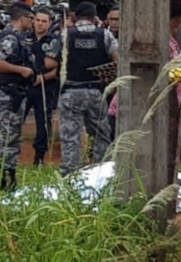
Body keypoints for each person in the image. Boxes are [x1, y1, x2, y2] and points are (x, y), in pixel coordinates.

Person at [107, 0, 181, 143]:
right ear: (178, 20)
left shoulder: (169, 43)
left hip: (150, 114)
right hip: (138, 114)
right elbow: (158, 80)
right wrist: (178, 99)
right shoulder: (162, 45)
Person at [59, 2, 118, 177]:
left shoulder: (66, 35)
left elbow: (53, 62)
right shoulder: (105, 35)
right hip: (95, 92)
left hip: (70, 92)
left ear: (76, 17)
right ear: (94, 17)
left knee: (71, 137)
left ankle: (71, 176)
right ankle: (102, 172)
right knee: (102, 134)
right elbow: (117, 61)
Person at [0, 2, 35, 191]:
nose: (32, 22)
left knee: (4, 137)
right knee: (9, 138)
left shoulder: (17, 37)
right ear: (21, 18)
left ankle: (0, 177)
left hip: (12, 94)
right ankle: (7, 182)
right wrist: (21, 70)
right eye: (30, 19)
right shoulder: (11, 39)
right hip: (10, 95)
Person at [23, 7, 61, 166]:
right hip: (24, 86)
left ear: (50, 23)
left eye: (43, 21)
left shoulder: (55, 41)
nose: (39, 24)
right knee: (16, 119)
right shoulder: (23, 37)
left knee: (43, 123)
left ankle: (39, 158)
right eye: (37, 20)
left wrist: (42, 78)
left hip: (45, 86)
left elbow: (58, 68)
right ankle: (6, 155)